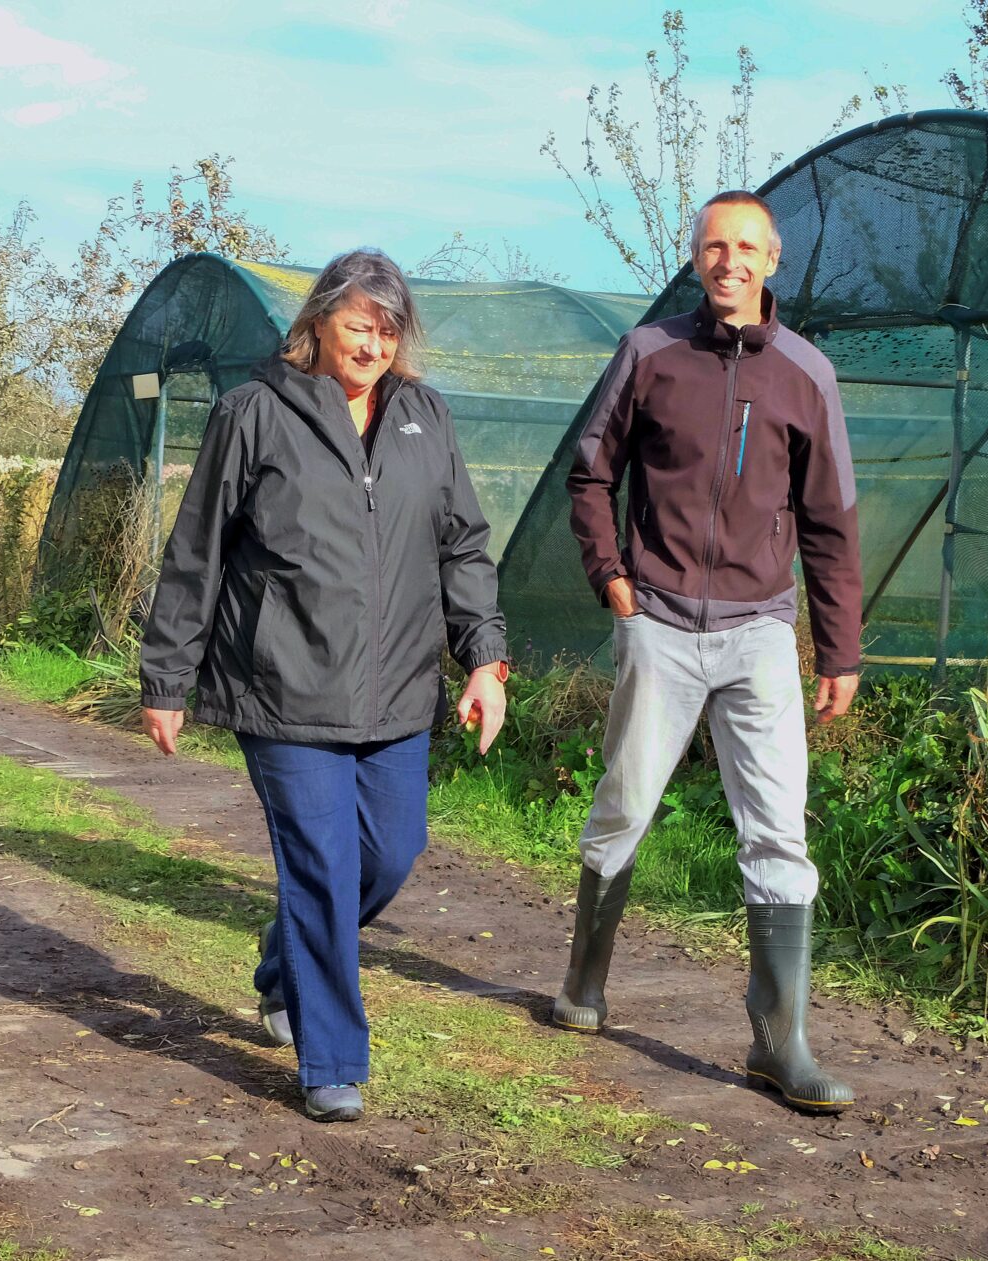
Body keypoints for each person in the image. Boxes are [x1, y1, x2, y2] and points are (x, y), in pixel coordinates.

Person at [139, 249, 510, 1123]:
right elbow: (197, 550)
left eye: (389, 330)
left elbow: (461, 544)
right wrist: (167, 675)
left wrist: (484, 660)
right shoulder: (254, 413)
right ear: (316, 324)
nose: (374, 344)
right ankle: (331, 1060)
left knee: (387, 855)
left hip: (399, 687)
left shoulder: (424, 417)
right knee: (320, 863)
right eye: (358, 326)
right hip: (286, 684)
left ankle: (284, 961)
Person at [556, 190, 863, 1113]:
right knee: (624, 804)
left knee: (778, 828)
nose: (728, 260)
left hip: (761, 631)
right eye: (712, 245)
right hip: (657, 621)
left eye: (745, 247)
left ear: (773, 261)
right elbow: (590, 468)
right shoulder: (652, 354)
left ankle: (782, 1041)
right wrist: (610, 574)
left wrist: (837, 651)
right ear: (696, 258)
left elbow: (832, 521)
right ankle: (583, 982)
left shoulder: (807, 374)